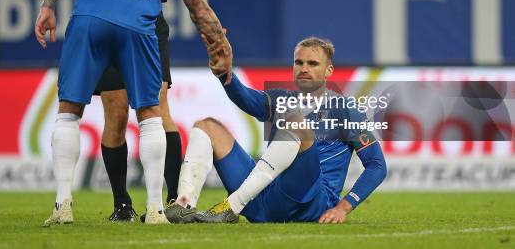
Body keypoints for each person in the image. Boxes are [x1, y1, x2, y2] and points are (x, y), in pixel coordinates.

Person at [36, 0, 232, 226]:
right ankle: (155, 209)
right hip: (139, 27)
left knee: (69, 111)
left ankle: (63, 204)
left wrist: (48, 5)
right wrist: (221, 44)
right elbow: (199, 9)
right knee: (150, 114)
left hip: (91, 18)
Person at [61, 0, 202, 222]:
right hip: (107, 10)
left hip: (147, 20)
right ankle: (122, 205)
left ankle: (174, 202)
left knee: (159, 109)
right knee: (116, 113)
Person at [165, 37, 387, 223]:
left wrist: (343, 208)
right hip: (264, 197)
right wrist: (225, 75)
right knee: (207, 126)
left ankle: (230, 207)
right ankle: (183, 205)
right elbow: (246, 99)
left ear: (329, 70)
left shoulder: (347, 111)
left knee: (295, 123)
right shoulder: (281, 99)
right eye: (298, 62)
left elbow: (376, 165)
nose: (304, 69)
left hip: (311, 203)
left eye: (313, 63)